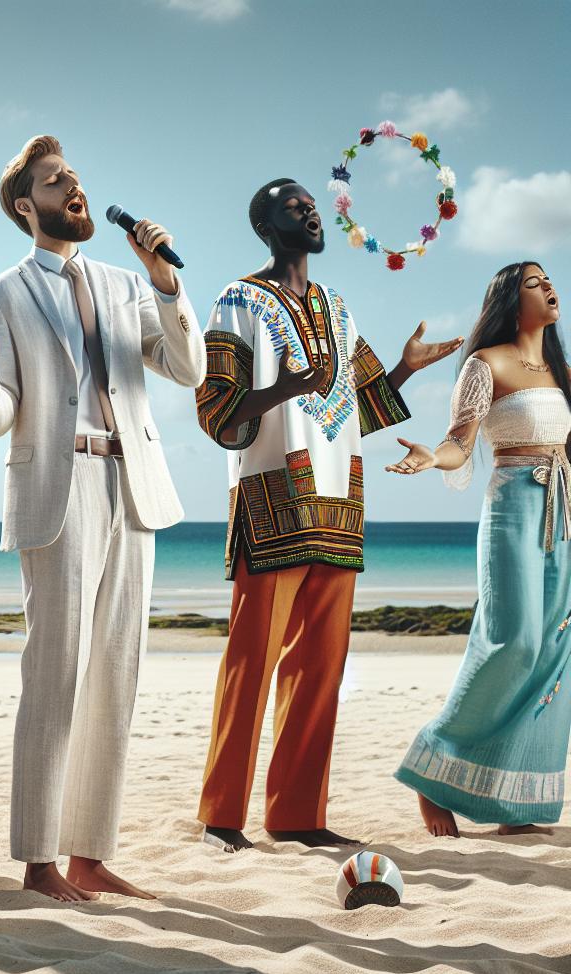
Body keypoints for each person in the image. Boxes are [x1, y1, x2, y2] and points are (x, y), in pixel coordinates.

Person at [0, 135, 205, 901]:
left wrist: (167, 283)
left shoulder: (131, 285)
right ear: (28, 206)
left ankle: (91, 853)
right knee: (54, 672)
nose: (74, 188)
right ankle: (38, 860)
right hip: (58, 491)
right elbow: (0, 417)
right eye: (56, 181)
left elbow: (188, 369)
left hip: (134, 485)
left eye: (76, 176)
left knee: (115, 678)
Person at [194, 178, 462, 853]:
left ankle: (296, 814)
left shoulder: (338, 309)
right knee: (251, 659)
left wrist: (403, 368)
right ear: (266, 225)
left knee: (322, 664)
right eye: (294, 206)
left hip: (340, 500)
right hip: (271, 494)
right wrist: (284, 386)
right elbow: (216, 406)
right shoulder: (238, 300)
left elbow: (356, 407)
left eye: (313, 204)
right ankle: (222, 817)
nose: (311, 212)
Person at [391, 262, 571, 836]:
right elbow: (459, 444)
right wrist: (429, 458)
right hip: (514, 507)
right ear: (509, 299)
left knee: (553, 652)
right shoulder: (485, 363)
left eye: (548, 280)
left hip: (564, 513)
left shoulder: (561, 371)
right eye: (534, 282)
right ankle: (432, 764)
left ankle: (513, 802)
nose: (548, 287)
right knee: (513, 641)